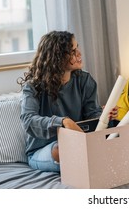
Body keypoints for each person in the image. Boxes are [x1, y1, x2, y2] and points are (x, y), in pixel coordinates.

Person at [18, 30, 118, 172]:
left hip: (81, 143)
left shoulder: (85, 80)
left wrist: (103, 116)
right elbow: (28, 120)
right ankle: (98, 161)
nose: (79, 54)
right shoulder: (33, 87)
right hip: (45, 150)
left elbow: (92, 117)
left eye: (77, 47)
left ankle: (93, 160)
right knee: (63, 149)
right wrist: (63, 121)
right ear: (57, 57)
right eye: (72, 51)